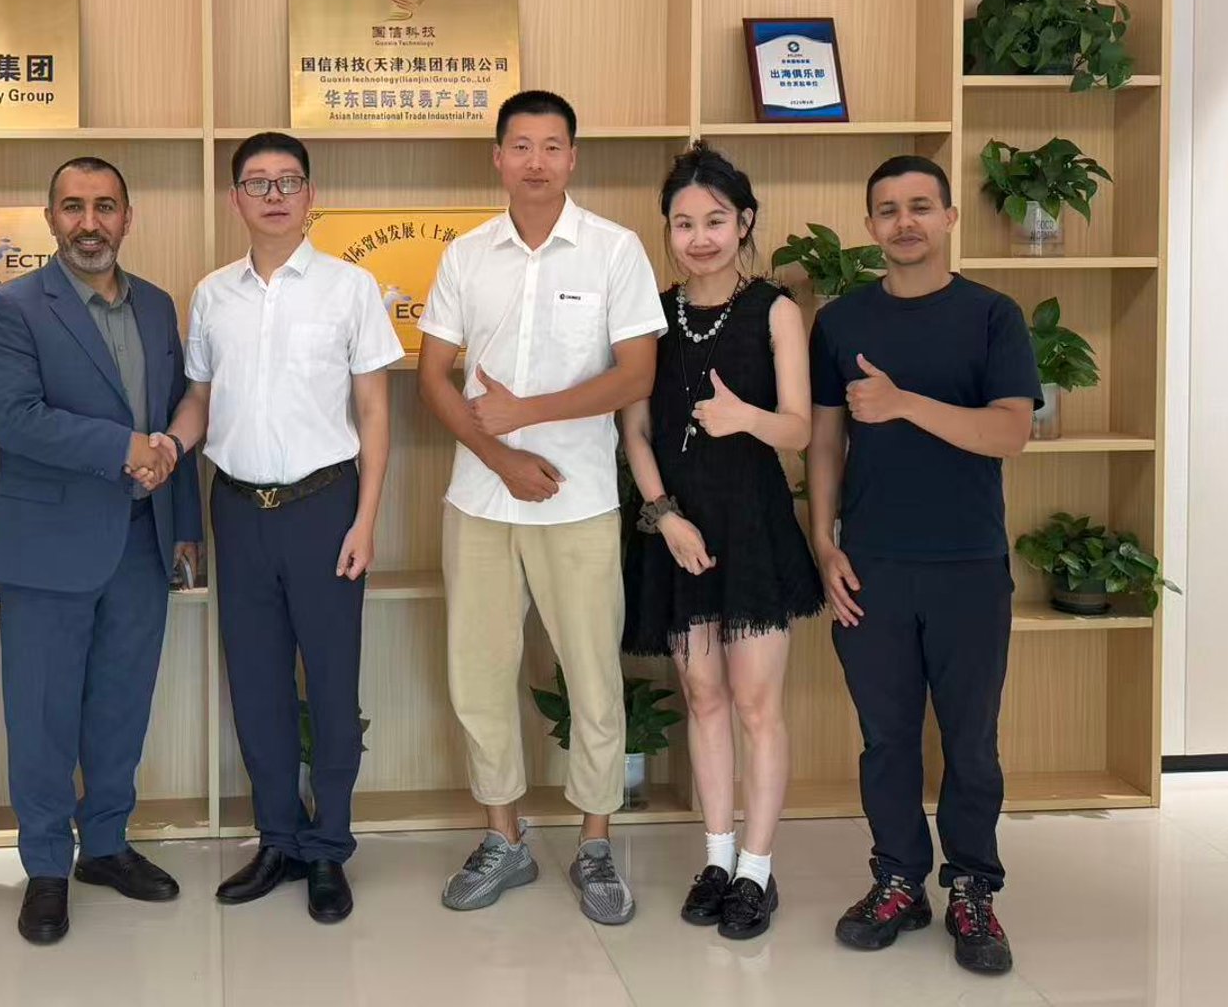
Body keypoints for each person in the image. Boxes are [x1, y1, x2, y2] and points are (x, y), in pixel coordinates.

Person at [417, 90, 664, 926]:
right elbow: (433, 376)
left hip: (579, 499)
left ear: (572, 157)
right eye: (520, 145)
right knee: (478, 674)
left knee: (593, 675)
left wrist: (528, 414)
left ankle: (595, 844)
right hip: (480, 500)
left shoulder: (614, 249)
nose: (535, 161)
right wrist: (502, 456)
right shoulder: (466, 254)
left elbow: (635, 374)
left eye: (551, 146)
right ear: (497, 157)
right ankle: (505, 836)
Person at [808, 155, 1037, 976]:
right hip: (871, 565)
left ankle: (972, 886)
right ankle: (899, 879)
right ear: (869, 224)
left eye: (919, 206)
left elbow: (1010, 431)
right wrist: (824, 541)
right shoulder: (840, 322)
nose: (904, 222)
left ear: (947, 218)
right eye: (887, 209)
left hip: (969, 563)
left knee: (971, 741)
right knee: (886, 739)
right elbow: (825, 441)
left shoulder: (992, 316)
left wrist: (903, 402)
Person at [162, 132, 400, 924]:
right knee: (257, 684)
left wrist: (367, 518)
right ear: (234, 198)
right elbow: (201, 399)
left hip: (326, 508)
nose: (273, 194)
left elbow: (374, 411)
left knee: (331, 685)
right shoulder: (212, 294)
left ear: (310, 195)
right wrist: (168, 447)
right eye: (257, 182)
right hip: (237, 509)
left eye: (287, 180)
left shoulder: (350, 288)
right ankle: (278, 837)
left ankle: (328, 846)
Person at [0, 156, 203, 946]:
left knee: (120, 703)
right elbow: (15, 418)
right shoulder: (10, 308)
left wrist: (184, 524)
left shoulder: (157, 306)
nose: (89, 222)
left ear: (127, 218)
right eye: (73, 206)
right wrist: (124, 447)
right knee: (41, 712)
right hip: (47, 545)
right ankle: (45, 865)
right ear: (51, 218)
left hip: (142, 540)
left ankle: (105, 845)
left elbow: (174, 414)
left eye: (105, 206)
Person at [620, 143, 824, 940]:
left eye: (714, 220)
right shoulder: (653, 315)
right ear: (667, 229)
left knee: (755, 704)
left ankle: (757, 870)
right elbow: (636, 430)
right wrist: (664, 516)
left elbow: (800, 429)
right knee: (702, 696)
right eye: (683, 223)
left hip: (752, 526)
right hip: (679, 529)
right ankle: (716, 857)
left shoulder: (775, 310)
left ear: (744, 222)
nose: (699, 237)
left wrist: (745, 418)